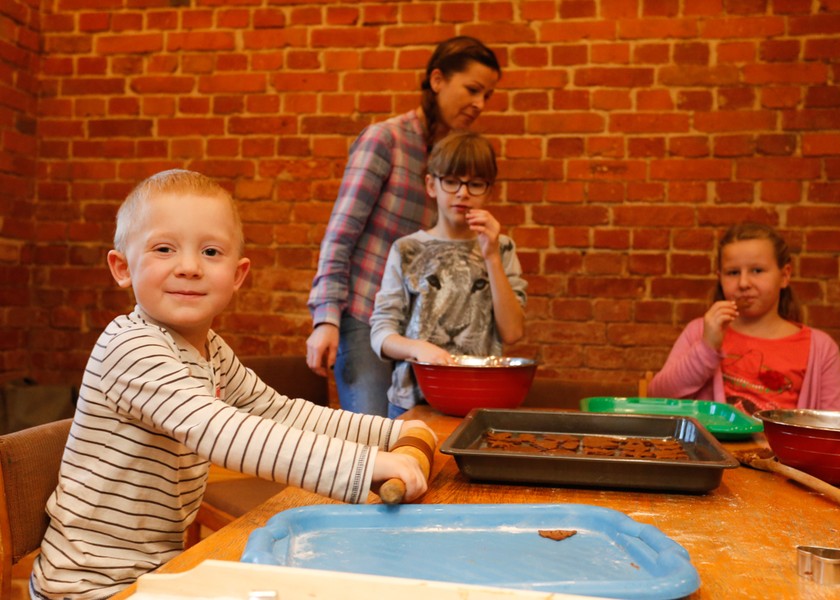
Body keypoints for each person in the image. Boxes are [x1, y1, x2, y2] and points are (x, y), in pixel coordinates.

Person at [30, 170, 433, 600]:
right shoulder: (131, 346)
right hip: (90, 587)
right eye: (164, 249)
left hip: (157, 572)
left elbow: (278, 411)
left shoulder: (212, 351)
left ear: (238, 275)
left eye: (210, 251)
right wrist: (365, 466)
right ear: (122, 267)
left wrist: (392, 432)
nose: (189, 267)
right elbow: (222, 431)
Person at [306, 36, 501, 416]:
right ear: (438, 80)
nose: (480, 104)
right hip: (363, 316)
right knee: (370, 434)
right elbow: (340, 235)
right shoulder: (386, 140)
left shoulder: (450, 161)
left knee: (414, 437)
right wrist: (325, 319)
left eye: (487, 95)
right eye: (473, 89)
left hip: (416, 330)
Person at [369, 131, 527, 417]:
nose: (462, 193)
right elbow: (381, 333)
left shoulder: (502, 248)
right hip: (411, 401)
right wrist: (417, 348)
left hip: (480, 402)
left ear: (489, 191)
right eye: (451, 181)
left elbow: (513, 331)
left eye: (475, 184)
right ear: (431, 185)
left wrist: (491, 256)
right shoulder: (406, 249)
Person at [647, 222, 840, 414]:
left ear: (784, 275)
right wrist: (706, 348)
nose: (743, 283)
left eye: (757, 271)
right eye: (733, 272)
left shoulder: (821, 349)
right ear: (720, 277)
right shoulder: (699, 332)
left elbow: (834, 428)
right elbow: (657, 398)